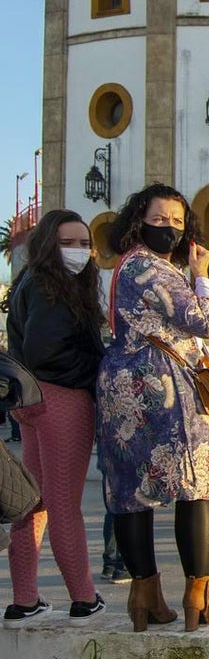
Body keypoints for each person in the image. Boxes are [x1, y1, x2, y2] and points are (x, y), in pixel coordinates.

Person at [96, 183, 209, 632]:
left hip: (122, 388)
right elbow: (204, 321)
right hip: (167, 387)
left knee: (131, 492)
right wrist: (201, 273)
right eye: (160, 219)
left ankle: (144, 596)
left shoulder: (124, 268)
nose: (169, 227)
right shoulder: (158, 271)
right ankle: (197, 595)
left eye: (177, 221)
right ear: (139, 220)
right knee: (195, 485)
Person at [2, 210, 107, 627]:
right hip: (61, 398)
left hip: (32, 401)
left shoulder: (31, 282)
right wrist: (94, 370)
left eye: (85, 244)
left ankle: (25, 600)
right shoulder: (53, 289)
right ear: (49, 243)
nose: (79, 251)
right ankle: (83, 598)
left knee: (34, 503)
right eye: (69, 242)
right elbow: (48, 351)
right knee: (64, 504)